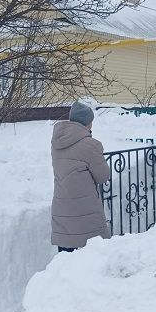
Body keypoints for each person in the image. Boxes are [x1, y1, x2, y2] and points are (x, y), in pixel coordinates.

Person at [51, 101, 111, 252]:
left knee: (65, 262)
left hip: (62, 210)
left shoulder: (57, 143)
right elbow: (103, 176)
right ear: (87, 122)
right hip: (85, 213)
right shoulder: (91, 145)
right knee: (89, 261)